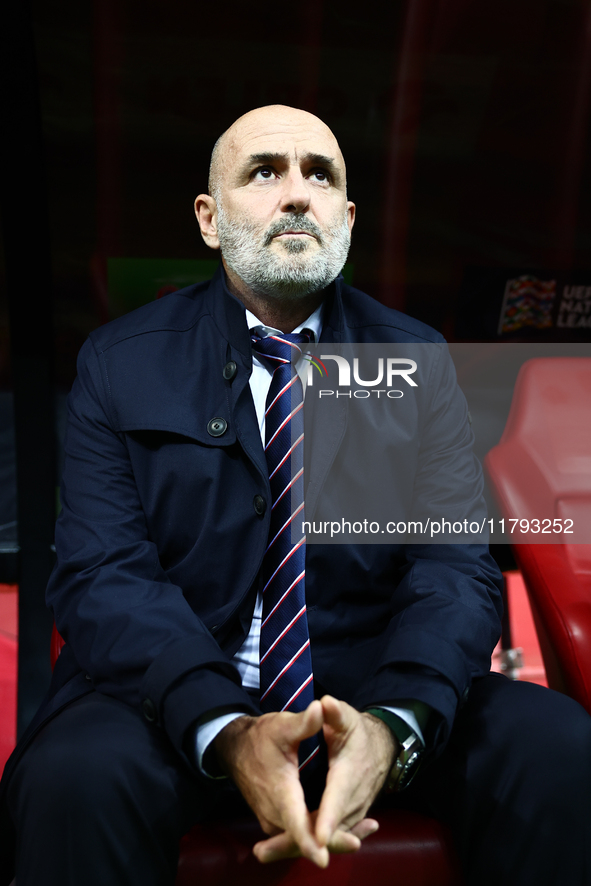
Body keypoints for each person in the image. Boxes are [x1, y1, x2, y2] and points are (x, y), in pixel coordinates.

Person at [1, 105, 590, 886]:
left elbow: (453, 568)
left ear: (346, 219)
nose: (295, 193)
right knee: (74, 780)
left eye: (320, 175)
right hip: (166, 694)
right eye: (263, 172)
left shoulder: (416, 360)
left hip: (367, 687)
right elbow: (102, 573)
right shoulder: (119, 361)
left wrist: (394, 721)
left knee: (557, 748)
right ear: (209, 220)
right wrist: (223, 725)